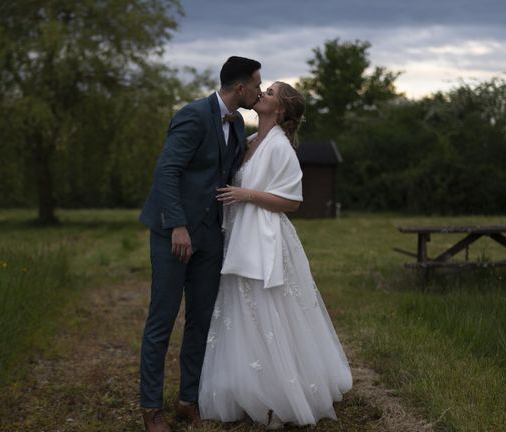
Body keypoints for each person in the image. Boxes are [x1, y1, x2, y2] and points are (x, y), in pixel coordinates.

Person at [198, 82, 353, 429]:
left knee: (270, 308)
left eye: (270, 93)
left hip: (266, 237)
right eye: (264, 89)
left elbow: (293, 202)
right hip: (240, 234)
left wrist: (247, 193)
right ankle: (245, 387)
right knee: (242, 310)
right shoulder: (252, 142)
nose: (262, 94)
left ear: (279, 110)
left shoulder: (281, 148)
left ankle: (280, 392)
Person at [138, 56, 262, 432]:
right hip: (173, 233)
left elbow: (233, 165)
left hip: (211, 235)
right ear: (240, 88)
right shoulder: (192, 115)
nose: (260, 90)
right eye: (258, 84)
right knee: (162, 319)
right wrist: (177, 225)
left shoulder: (238, 122)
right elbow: (168, 170)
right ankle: (151, 408)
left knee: (201, 320)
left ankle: (187, 400)